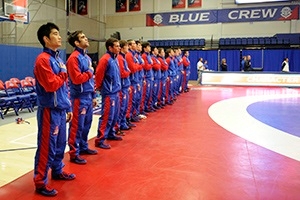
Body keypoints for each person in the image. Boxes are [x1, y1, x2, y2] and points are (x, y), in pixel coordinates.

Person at [33, 22, 75, 197]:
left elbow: (63, 87)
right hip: (49, 111)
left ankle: (57, 171)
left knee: (59, 145)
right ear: (46, 39)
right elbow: (51, 85)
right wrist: (64, 73)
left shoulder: (57, 58)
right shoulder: (43, 60)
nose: (59, 36)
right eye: (55, 33)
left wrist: (68, 106)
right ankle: (40, 182)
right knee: (47, 147)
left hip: (60, 109)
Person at [66, 30, 98, 165]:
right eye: (83, 37)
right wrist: (90, 72)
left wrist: (94, 95)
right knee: (77, 126)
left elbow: (91, 80)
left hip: (88, 96)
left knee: (87, 124)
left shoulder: (87, 58)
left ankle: (83, 147)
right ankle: (74, 153)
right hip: (79, 97)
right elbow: (77, 79)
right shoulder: (74, 58)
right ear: (76, 42)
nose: (86, 39)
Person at [95, 38, 122, 150]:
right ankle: (100, 139)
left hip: (115, 92)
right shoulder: (105, 59)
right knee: (107, 116)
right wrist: (102, 89)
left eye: (119, 46)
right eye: (116, 46)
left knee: (114, 115)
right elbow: (99, 75)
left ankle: (111, 133)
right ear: (110, 48)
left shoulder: (114, 59)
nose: (119, 48)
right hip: (109, 93)